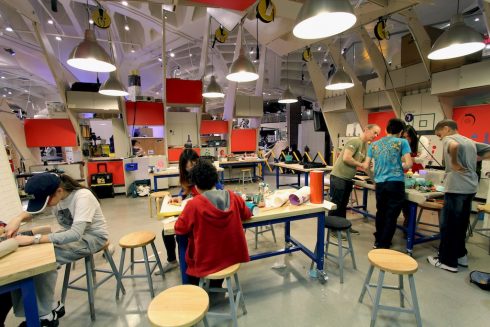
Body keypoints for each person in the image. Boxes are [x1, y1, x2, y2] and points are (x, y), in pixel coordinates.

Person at [5, 173, 109, 326]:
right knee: (32, 255)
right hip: (73, 236)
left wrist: (34, 239)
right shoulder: (56, 196)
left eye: (46, 202)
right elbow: (32, 212)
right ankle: (49, 306)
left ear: (59, 191)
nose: (46, 206)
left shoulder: (82, 197)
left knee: (45, 259)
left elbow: (75, 234)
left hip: (92, 238)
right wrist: (17, 219)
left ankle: (46, 315)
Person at [174, 159, 251, 285]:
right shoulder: (233, 197)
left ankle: (194, 289)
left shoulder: (193, 205)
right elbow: (247, 214)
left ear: (196, 186)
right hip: (231, 257)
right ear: (216, 180)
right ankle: (216, 285)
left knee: (187, 247)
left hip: (207, 261)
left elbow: (179, 228)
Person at [427, 119, 490, 273]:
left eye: (439, 135)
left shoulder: (451, 139)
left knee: (449, 225)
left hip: (456, 187)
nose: (441, 138)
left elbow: (453, 146)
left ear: (447, 129)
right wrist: (476, 159)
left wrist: (454, 163)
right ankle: (461, 256)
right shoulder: (469, 141)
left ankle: (447, 261)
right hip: (470, 187)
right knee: (461, 224)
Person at [159, 149, 223, 274]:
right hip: (194, 208)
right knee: (166, 231)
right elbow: (185, 189)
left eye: (193, 166)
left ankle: (189, 264)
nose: (191, 171)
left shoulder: (206, 173)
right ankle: (173, 260)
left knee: (181, 234)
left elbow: (218, 191)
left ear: (197, 162)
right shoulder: (187, 177)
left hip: (203, 211)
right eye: (188, 169)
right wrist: (180, 196)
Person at [363, 118, 412, 249]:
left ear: (386, 129)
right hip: (396, 184)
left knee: (381, 212)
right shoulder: (402, 142)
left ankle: (378, 240)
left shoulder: (373, 145)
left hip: (380, 184)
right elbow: (409, 164)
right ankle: (384, 244)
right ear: (401, 132)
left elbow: (366, 166)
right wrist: (398, 165)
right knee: (392, 214)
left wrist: (374, 180)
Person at [329, 124, 381, 235]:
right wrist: (361, 164)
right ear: (366, 130)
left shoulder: (365, 146)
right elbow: (346, 158)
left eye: (378, 134)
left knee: (343, 205)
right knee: (336, 204)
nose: (376, 135)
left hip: (347, 179)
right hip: (339, 177)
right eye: (374, 132)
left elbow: (365, 166)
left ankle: (342, 226)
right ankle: (333, 229)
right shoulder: (355, 141)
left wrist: (375, 181)